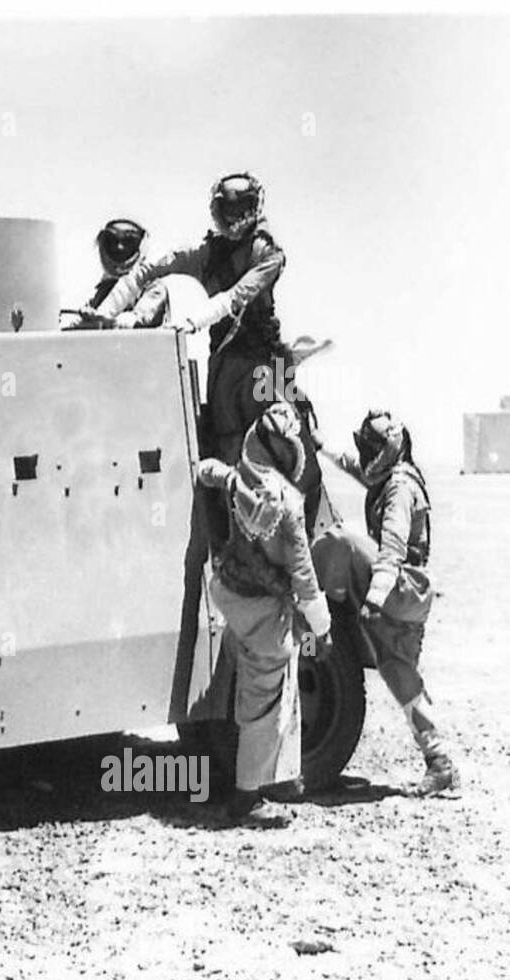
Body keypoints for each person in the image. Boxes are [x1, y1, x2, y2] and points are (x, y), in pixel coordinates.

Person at [82, 173, 314, 472]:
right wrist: (108, 311)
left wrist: (191, 323)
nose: (231, 218)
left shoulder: (268, 254)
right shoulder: (208, 253)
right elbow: (146, 272)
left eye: (238, 209)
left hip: (267, 360)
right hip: (226, 360)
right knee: (226, 442)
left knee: (292, 434)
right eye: (226, 209)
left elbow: (236, 297)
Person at [197, 401, 333, 825]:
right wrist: (322, 628)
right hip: (262, 607)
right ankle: (247, 796)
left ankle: (284, 773)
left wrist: (201, 469)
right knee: (265, 698)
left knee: (271, 682)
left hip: (230, 592)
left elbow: (213, 473)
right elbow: (303, 575)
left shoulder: (242, 479)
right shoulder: (288, 503)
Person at [315, 410, 454, 796]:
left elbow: (391, 549)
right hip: (409, 592)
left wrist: (373, 601)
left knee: (340, 540)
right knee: (399, 675)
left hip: (400, 585)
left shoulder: (399, 491)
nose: (366, 454)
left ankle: (319, 601)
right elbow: (356, 468)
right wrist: (321, 445)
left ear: (387, 448)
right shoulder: (391, 475)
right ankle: (440, 762)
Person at [88, 218, 169, 327]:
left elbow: (141, 316)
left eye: (129, 241)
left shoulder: (154, 287)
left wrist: (130, 318)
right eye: (112, 241)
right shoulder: (103, 289)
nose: (119, 247)